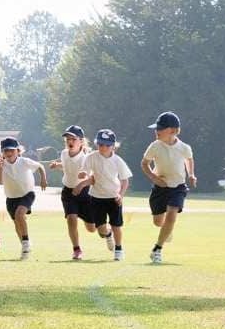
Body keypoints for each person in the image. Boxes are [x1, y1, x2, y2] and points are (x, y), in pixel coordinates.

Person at [141, 111, 196, 264]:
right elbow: (144, 164)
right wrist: (154, 178)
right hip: (160, 187)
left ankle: (157, 249)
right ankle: (166, 231)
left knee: (172, 214)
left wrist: (191, 174)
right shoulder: (155, 146)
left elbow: (189, 160)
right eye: (156, 128)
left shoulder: (184, 148)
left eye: (160, 128)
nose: (156, 131)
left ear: (173, 131)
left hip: (178, 186)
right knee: (159, 222)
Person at [81, 129, 132, 261]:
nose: (103, 147)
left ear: (113, 146)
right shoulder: (91, 157)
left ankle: (119, 249)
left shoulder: (117, 160)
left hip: (114, 197)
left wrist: (121, 195)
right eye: (100, 144)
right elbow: (85, 171)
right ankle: (108, 235)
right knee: (101, 229)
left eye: (107, 145)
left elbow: (125, 180)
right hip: (96, 197)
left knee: (116, 225)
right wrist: (83, 176)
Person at [48, 125, 97, 260]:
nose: (70, 141)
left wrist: (83, 180)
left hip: (85, 193)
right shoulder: (64, 154)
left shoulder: (87, 157)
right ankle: (77, 249)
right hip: (68, 192)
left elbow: (93, 177)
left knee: (92, 228)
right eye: (68, 139)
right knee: (71, 219)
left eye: (73, 139)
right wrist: (57, 165)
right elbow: (67, 167)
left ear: (81, 141)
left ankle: (107, 231)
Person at [0, 137, 46, 260]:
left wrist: (43, 179)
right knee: (17, 223)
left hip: (27, 193)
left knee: (19, 214)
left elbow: (40, 167)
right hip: (11, 198)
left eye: (12, 150)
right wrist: (0, 168)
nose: (9, 153)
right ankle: (25, 248)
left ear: (18, 151)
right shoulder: (2, 165)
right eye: (6, 151)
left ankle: (26, 241)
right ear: (3, 153)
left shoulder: (24, 161)